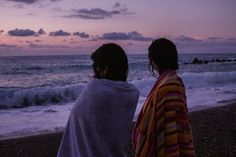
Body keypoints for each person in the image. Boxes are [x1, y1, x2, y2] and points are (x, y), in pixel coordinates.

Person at [57, 43, 139, 157]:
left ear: (104, 68)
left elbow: (78, 117)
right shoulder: (131, 93)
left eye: (96, 66)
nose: (94, 71)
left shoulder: (95, 90)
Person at [132, 38, 196, 157]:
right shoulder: (174, 80)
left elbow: (164, 123)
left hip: (167, 143)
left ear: (155, 60)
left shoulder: (168, 84)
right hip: (175, 138)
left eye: (151, 58)